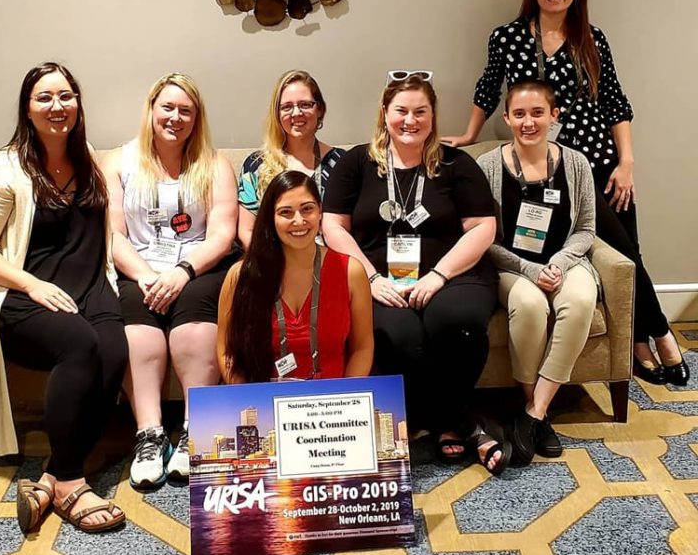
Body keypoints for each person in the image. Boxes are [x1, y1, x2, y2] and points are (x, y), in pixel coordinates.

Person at [441, 0, 689, 386]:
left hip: (598, 164)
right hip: (547, 169)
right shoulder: (508, 37)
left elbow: (614, 102)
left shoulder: (590, 38)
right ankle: (662, 338)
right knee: (623, 255)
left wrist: (627, 162)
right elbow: (488, 88)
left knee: (627, 255)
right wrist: (468, 134)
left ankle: (640, 341)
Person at [0, 63, 126, 534]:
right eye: (44, 98)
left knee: (114, 350)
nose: (57, 106)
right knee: (79, 345)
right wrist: (31, 284)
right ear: (27, 109)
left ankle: (52, 479)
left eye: (66, 96)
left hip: (88, 288)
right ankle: (72, 481)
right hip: (17, 294)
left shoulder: (87, 158)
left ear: (78, 103)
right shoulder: (1, 170)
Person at [322, 71, 510, 475]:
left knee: (456, 321)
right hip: (378, 279)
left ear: (433, 115)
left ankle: (442, 420)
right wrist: (371, 278)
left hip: (454, 275)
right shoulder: (356, 162)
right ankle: (461, 421)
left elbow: (483, 228)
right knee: (399, 334)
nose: (410, 120)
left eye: (420, 112)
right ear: (384, 113)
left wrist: (439, 276)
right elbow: (332, 226)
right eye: (401, 111)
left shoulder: (457, 163)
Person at [103, 73, 238, 489]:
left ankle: (196, 430)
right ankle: (150, 434)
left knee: (196, 312)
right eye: (167, 108)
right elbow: (113, 235)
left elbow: (222, 235)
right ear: (151, 110)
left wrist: (182, 272)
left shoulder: (215, 164)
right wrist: (146, 276)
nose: (175, 118)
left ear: (197, 119)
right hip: (138, 265)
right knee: (133, 314)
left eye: (186, 111)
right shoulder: (118, 162)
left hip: (198, 265)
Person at [478, 81, 598, 464]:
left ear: (553, 116)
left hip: (565, 263)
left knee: (581, 300)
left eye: (537, 113)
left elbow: (586, 230)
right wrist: (530, 270)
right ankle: (534, 408)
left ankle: (533, 413)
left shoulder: (576, 164)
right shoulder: (487, 167)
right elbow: (483, 238)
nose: (528, 122)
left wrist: (558, 264)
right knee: (529, 304)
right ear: (507, 118)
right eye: (519, 114)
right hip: (510, 267)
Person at [218, 170, 374, 383]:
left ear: (320, 211)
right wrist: (248, 397)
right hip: (264, 398)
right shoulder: (240, 276)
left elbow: (362, 348)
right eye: (286, 212)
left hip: (333, 399)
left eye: (307, 209)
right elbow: (227, 351)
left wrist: (347, 396)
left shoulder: (351, 272)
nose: (299, 221)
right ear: (270, 218)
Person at [237, 70, 343, 250]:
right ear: (277, 114)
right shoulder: (256, 165)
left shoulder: (341, 163)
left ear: (320, 109)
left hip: (328, 258)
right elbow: (247, 230)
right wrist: (269, 261)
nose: (296, 113)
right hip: (271, 258)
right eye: (286, 107)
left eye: (305, 104)